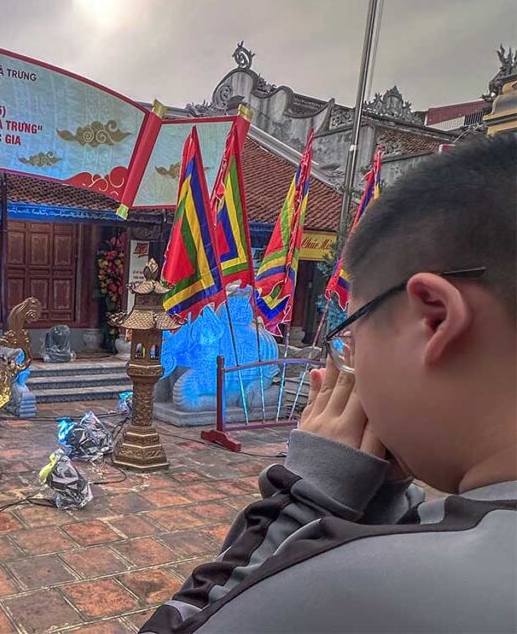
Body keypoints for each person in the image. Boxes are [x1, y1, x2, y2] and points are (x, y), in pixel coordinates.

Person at [141, 135, 517, 633]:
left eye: (352, 331)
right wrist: (377, 507)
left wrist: (304, 501)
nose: (343, 362)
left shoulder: (367, 584)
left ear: (434, 318)